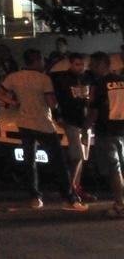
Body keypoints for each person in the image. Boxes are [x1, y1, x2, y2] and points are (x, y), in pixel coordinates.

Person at [0, 48, 86, 210]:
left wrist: (14, 102)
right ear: (36, 61)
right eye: (41, 60)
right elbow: (51, 103)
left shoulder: (14, 77)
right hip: (43, 123)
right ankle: (69, 198)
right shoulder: (44, 79)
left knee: (30, 161)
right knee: (58, 162)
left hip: (23, 123)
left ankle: (35, 197)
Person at [51, 51, 95, 202]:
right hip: (72, 120)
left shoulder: (88, 77)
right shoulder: (63, 80)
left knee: (82, 156)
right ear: (71, 64)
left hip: (86, 121)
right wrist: (58, 116)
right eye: (77, 64)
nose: (80, 67)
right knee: (76, 155)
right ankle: (69, 188)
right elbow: (56, 99)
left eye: (82, 64)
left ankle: (76, 186)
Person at [88, 51, 124, 218]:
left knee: (113, 169)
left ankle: (120, 204)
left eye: (93, 64)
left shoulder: (99, 85)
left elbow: (93, 111)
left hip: (107, 131)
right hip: (122, 130)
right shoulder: (122, 81)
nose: (90, 67)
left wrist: (84, 129)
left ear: (102, 64)